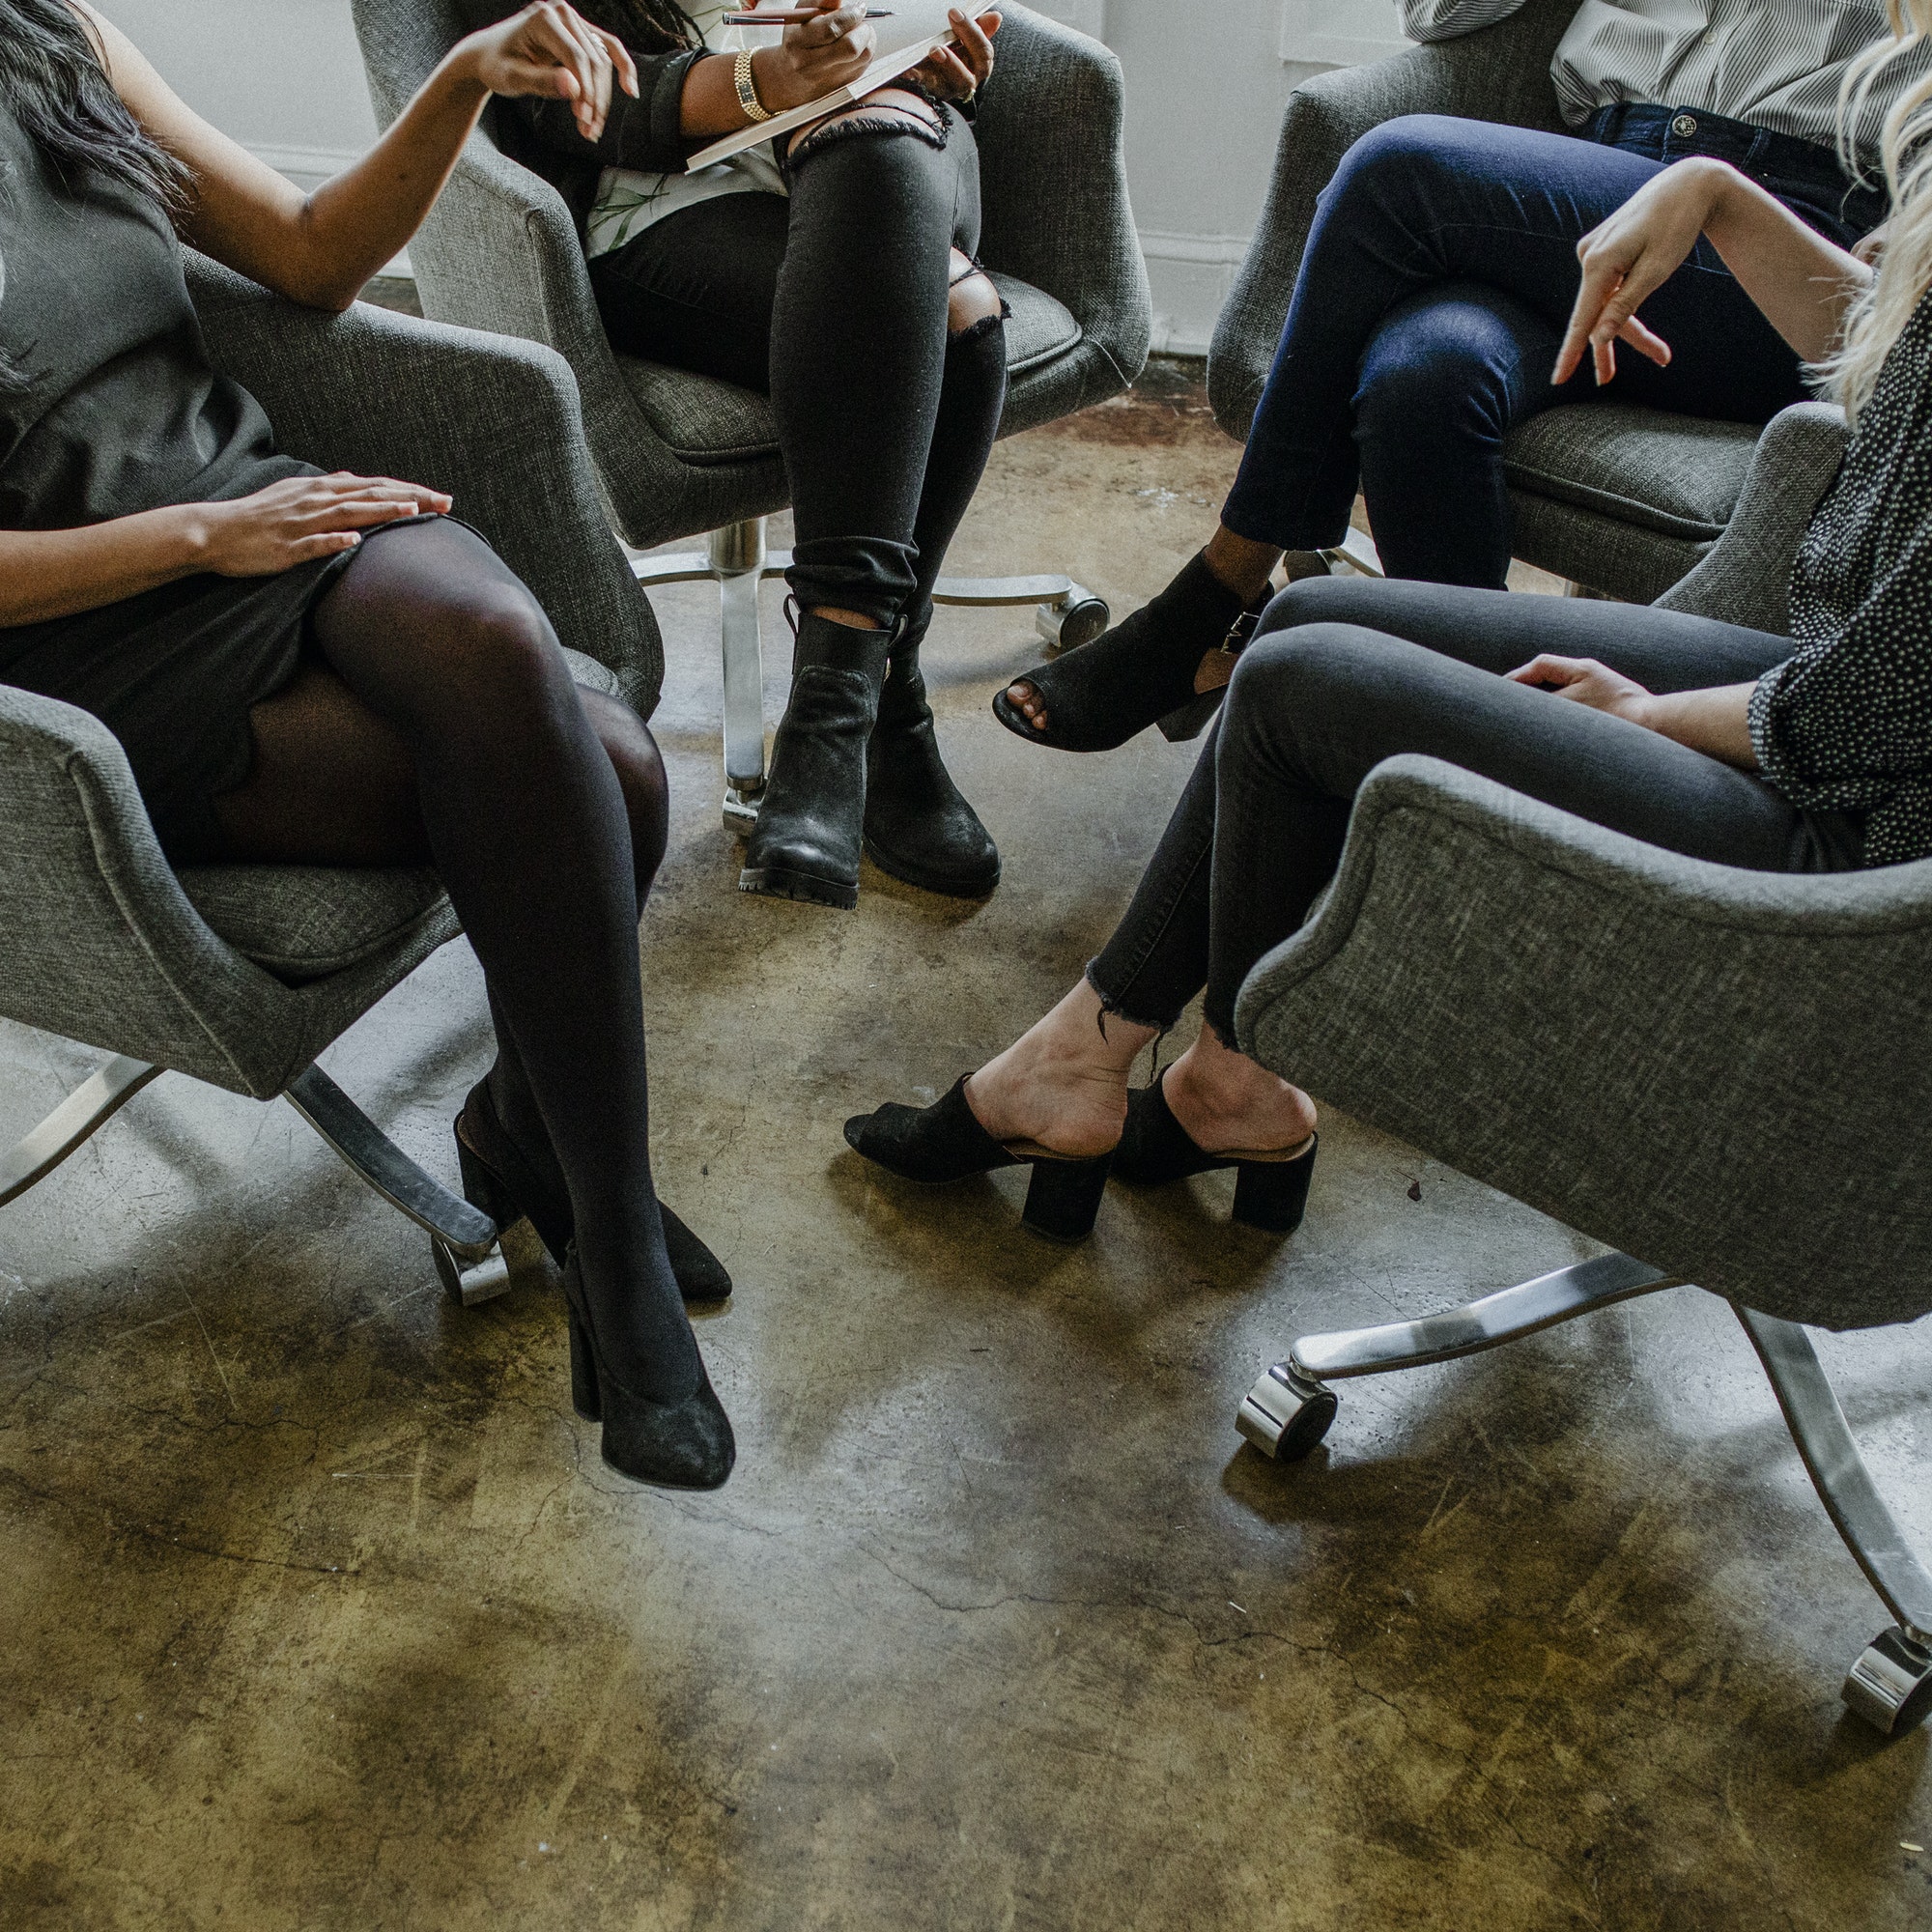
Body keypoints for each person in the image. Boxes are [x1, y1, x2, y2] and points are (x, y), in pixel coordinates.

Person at [847, 3, 1932, 1244]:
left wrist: (1641, 715)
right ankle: (1207, 1078)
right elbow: (1879, 358)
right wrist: (1713, 194)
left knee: (1297, 683)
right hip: (1817, 689)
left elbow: (1873, 706)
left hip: (1855, 849)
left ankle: (1127, 1045)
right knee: (1328, 588)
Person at [0, 0, 734, 1488]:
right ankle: (610, 1241)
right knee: (608, 775)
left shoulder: (53, 30)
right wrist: (197, 538)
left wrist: (462, 80)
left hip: (246, 496)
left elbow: (314, 252)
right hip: (90, 635)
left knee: (526, 670)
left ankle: (569, 1172)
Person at [994, 0, 1927, 757]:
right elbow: (1440, 17)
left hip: (1775, 238)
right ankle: (1466, 746)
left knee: (1398, 166)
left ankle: (1212, 595)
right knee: (1423, 381)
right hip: (1591, 187)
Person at [486, 0, 1009, 912]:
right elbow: (546, 87)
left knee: (876, 147)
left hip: (891, 139)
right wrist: (766, 82)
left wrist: (935, 36)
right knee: (960, 318)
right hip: (668, 199)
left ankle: (830, 713)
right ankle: (884, 702)